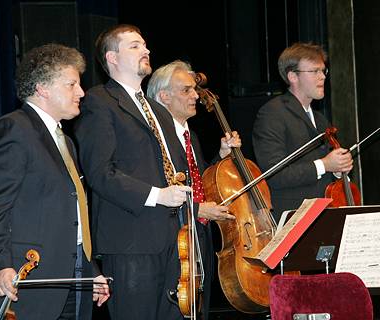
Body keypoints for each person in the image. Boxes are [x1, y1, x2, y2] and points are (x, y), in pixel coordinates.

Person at [0, 43, 109, 320]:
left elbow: (73, 217)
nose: (81, 93)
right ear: (42, 88)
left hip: (73, 283)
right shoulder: (13, 129)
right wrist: (0, 265)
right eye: (71, 85)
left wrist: (91, 270)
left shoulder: (67, 142)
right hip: (26, 284)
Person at [73, 25, 191, 320]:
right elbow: (99, 172)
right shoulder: (98, 102)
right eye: (135, 46)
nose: (146, 50)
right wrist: (157, 195)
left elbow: (175, 167)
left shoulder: (158, 110)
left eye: (146, 45)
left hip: (173, 240)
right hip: (130, 240)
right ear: (112, 58)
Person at [147, 60, 239, 320]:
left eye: (194, 90)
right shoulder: (155, 139)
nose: (196, 96)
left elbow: (198, 182)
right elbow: (164, 190)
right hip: (174, 240)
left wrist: (221, 157)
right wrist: (199, 209)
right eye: (186, 90)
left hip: (200, 237)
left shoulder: (191, 136)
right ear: (164, 96)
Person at [252, 42, 353, 221]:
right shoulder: (272, 113)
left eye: (323, 71)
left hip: (324, 214)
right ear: (293, 76)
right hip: (293, 217)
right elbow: (274, 174)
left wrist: (338, 168)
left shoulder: (320, 119)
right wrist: (324, 165)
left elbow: (327, 165)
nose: (322, 77)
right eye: (314, 71)